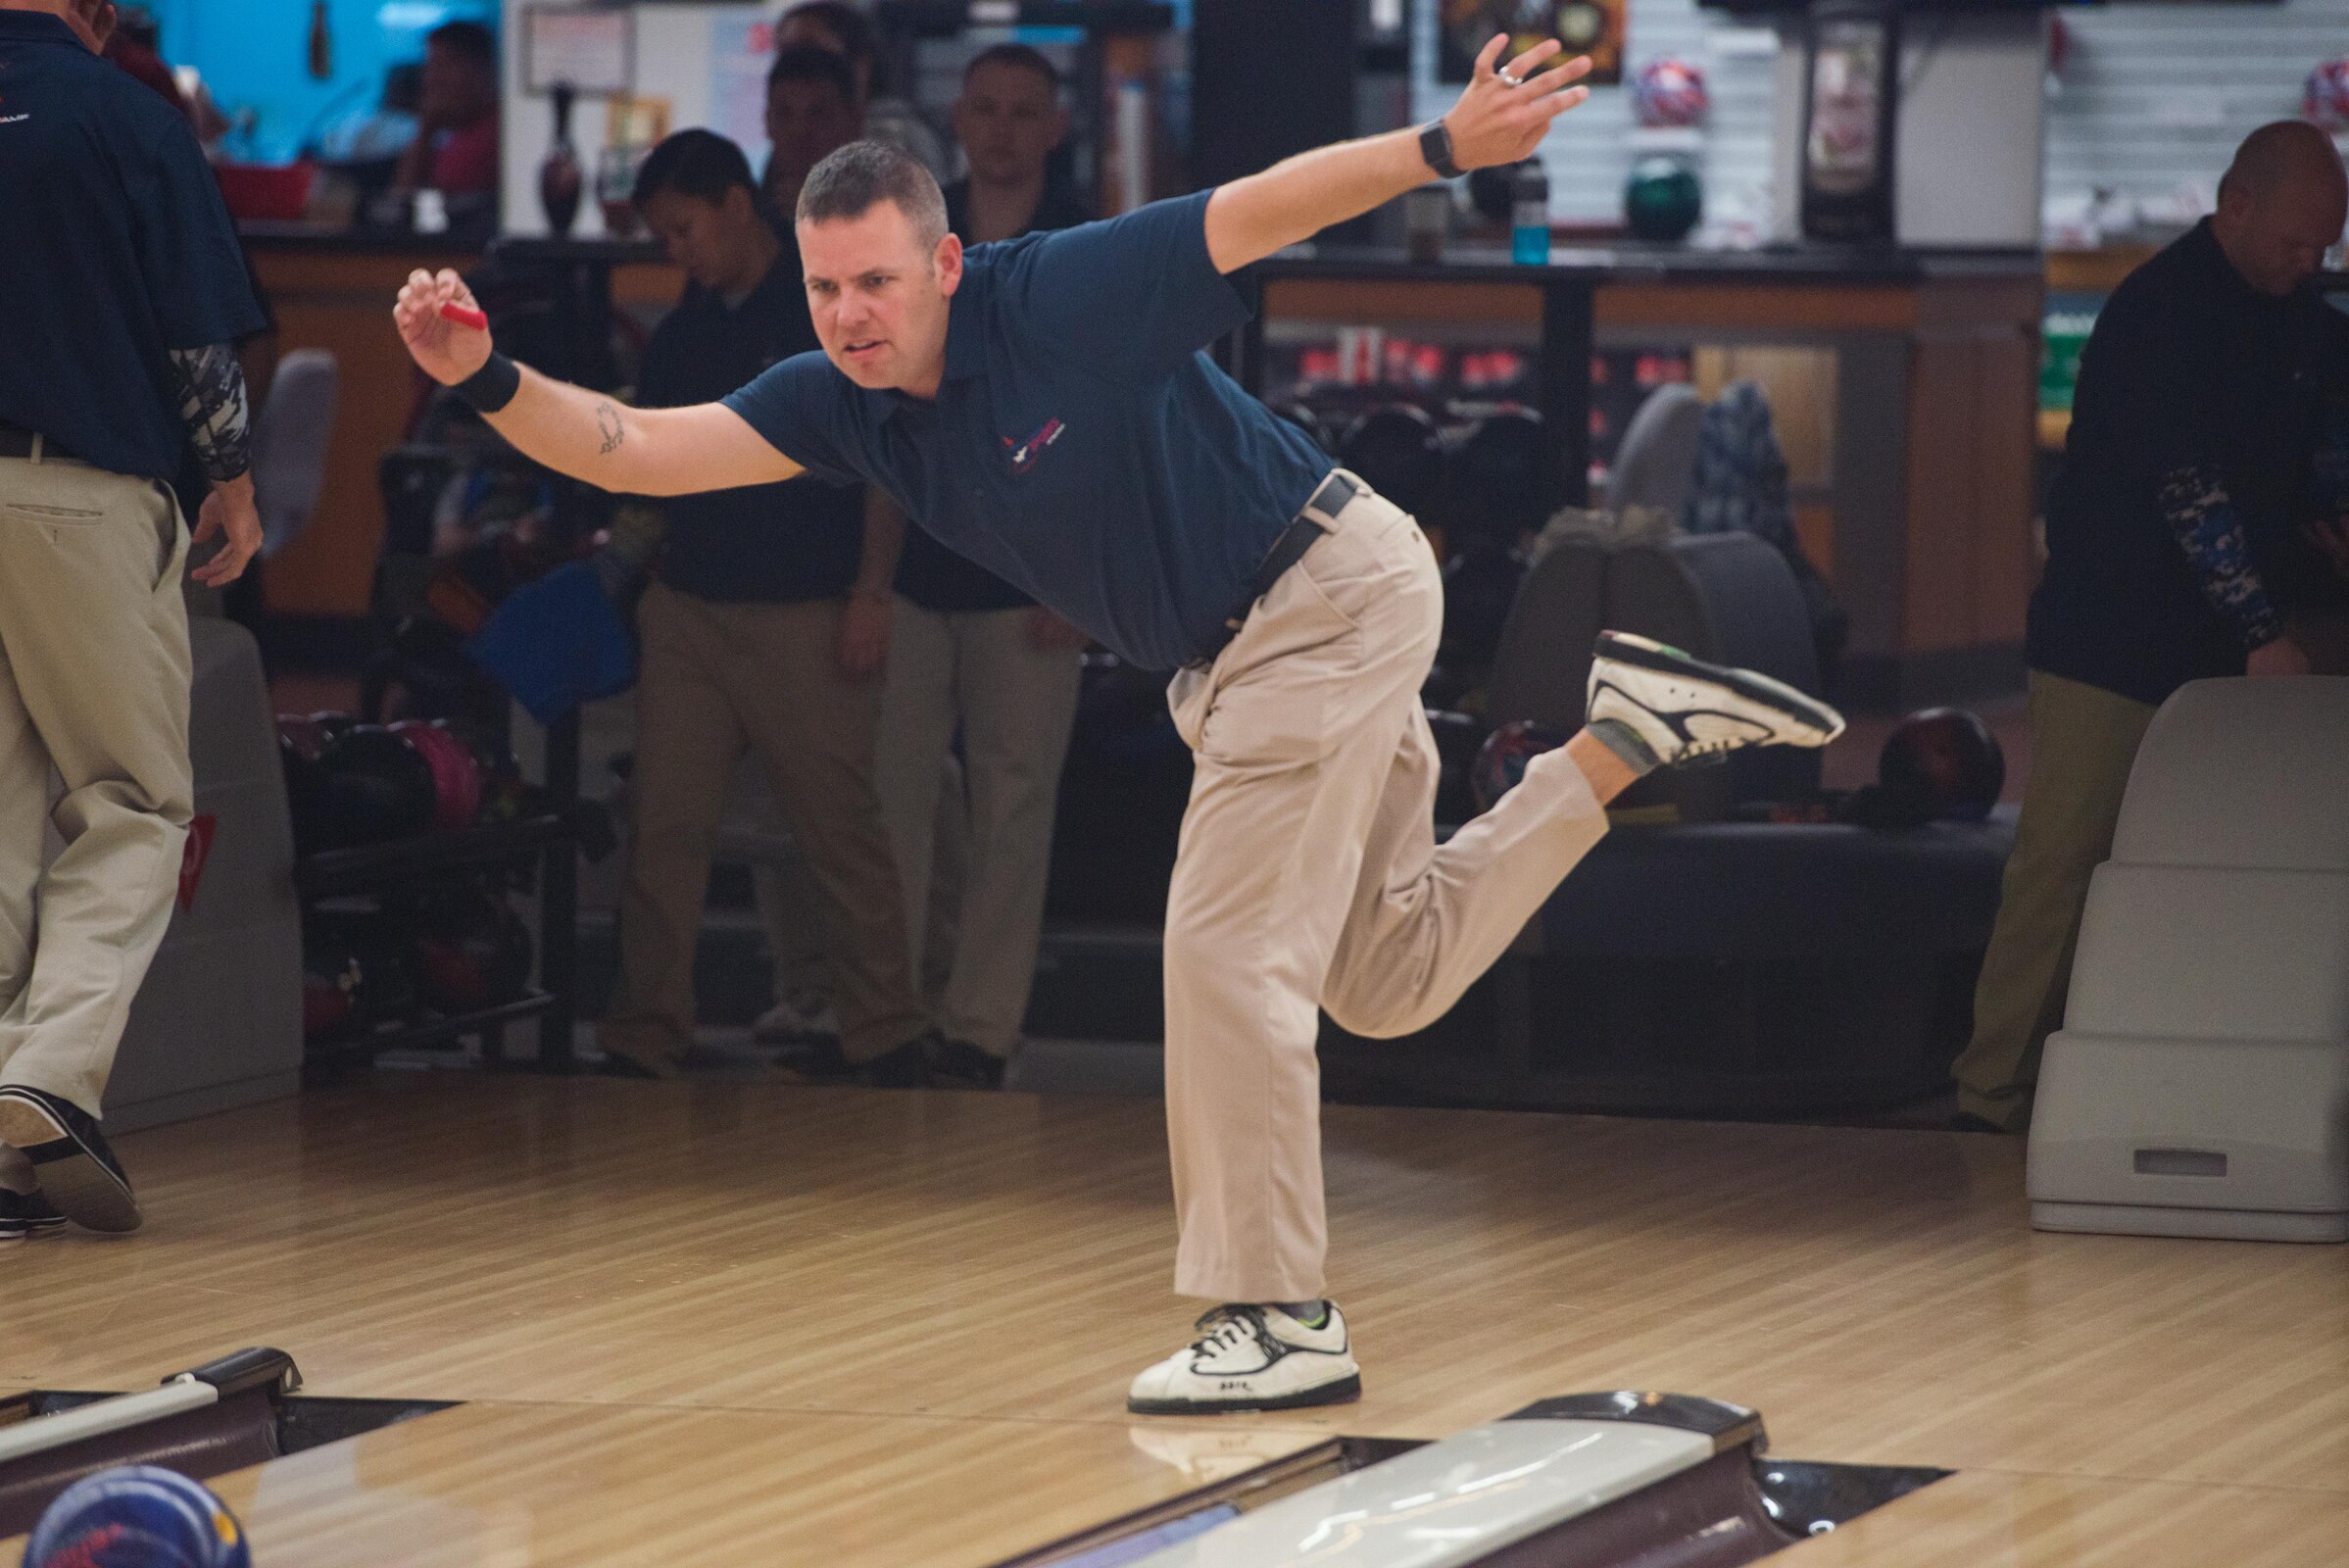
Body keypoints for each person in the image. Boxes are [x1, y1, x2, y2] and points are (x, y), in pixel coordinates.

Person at [393, 34, 1842, 1412]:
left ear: (944, 261)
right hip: (1252, 654)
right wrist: (484, 381)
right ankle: (1623, 738)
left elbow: (1261, 209)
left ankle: (1274, 1315)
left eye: (879, 284)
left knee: (1222, 950)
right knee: (1385, 975)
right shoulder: (843, 402)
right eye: (829, 289)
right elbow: (635, 445)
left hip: (1315, 601)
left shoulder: (1056, 296)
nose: (850, 317)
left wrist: (1442, 145)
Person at [1950, 122, 2349, 1134]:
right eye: (2297, 244)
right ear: (2235, 207)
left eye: (2328, 248)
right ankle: (1990, 1096)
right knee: (2064, 859)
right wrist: (2264, 628)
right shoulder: (2158, 314)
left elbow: (2310, 469)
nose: (2311, 264)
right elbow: (2187, 491)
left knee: (2246, 863)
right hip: (2116, 629)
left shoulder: (2308, 321)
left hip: (2246, 630)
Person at [0, 0, 266, 1243]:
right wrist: (231, 477)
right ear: (99, 13)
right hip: (80, 493)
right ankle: (46, 1079)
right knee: (134, 800)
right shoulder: (126, 119)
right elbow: (194, 340)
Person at [601, 128, 932, 1086]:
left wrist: (872, 590)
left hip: (805, 608)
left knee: (840, 825)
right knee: (665, 824)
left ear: (738, 207)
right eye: (664, 235)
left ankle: (886, 1028)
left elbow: (886, 465)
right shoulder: (682, 333)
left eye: (683, 229)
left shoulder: (825, 308)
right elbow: (653, 471)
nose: (676, 251)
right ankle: (642, 1031)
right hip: (692, 608)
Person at [874, 43, 1092, 1088]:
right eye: (987, 109)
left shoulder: (1090, 239)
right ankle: (897, 1011)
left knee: (1015, 805)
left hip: (1035, 576)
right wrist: (868, 585)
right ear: (957, 118)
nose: (1002, 129)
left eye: (1024, 113)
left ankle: (982, 1027)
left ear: (1055, 126)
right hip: (921, 555)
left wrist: (1082, 578)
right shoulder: (919, 236)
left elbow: (1113, 416)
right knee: (898, 800)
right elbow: (878, 414)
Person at [774, 0, 952, 185]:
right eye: (785, 53)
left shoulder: (898, 139)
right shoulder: (787, 143)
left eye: (809, 51)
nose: (794, 65)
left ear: (861, 64)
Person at [395, 20, 500, 199]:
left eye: (443, 66)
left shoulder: (492, 137)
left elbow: (407, 207)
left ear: (481, 69)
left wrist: (425, 131)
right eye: (430, 68)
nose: (432, 81)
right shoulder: (460, 135)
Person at [761, 44, 863, 220]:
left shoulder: (888, 211)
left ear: (854, 123)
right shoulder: (744, 217)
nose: (800, 131)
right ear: (768, 122)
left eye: (818, 114)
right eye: (784, 115)